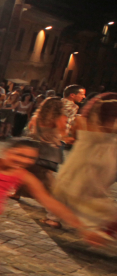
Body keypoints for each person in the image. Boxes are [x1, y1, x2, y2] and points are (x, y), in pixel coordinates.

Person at [52, 93, 117, 235]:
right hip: (107, 159)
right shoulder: (113, 126)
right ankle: (104, 219)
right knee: (95, 192)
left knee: (69, 188)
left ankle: (55, 217)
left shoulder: (81, 120)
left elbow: (73, 137)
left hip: (81, 158)